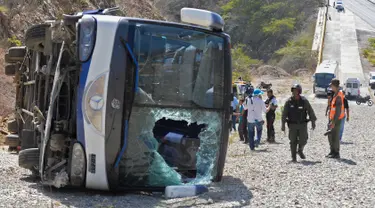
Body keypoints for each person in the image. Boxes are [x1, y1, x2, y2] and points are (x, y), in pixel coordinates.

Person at [282, 84, 317, 162]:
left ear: (299, 91)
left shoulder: (304, 101)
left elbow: (310, 111)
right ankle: (293, 157)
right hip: (292, 125)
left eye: (296, 90)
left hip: (302, 124)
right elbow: (284, 114)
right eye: (293, 90)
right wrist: (283, 125)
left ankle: (300, 150)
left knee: (304, 140)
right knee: (292, 141)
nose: (294, 92)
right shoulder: (288, 102)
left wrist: (313, 122)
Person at [326, 78, 345, 158]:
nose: (331, 87)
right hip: (332, 119)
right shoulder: (335, 94)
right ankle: (332, 151)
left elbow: (338, 111)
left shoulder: (338, 97)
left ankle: (336, 153)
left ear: (335, 86)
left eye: (332, 86)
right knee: (330, 135)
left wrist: (333, 122)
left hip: (336, 120)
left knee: (335, 136)